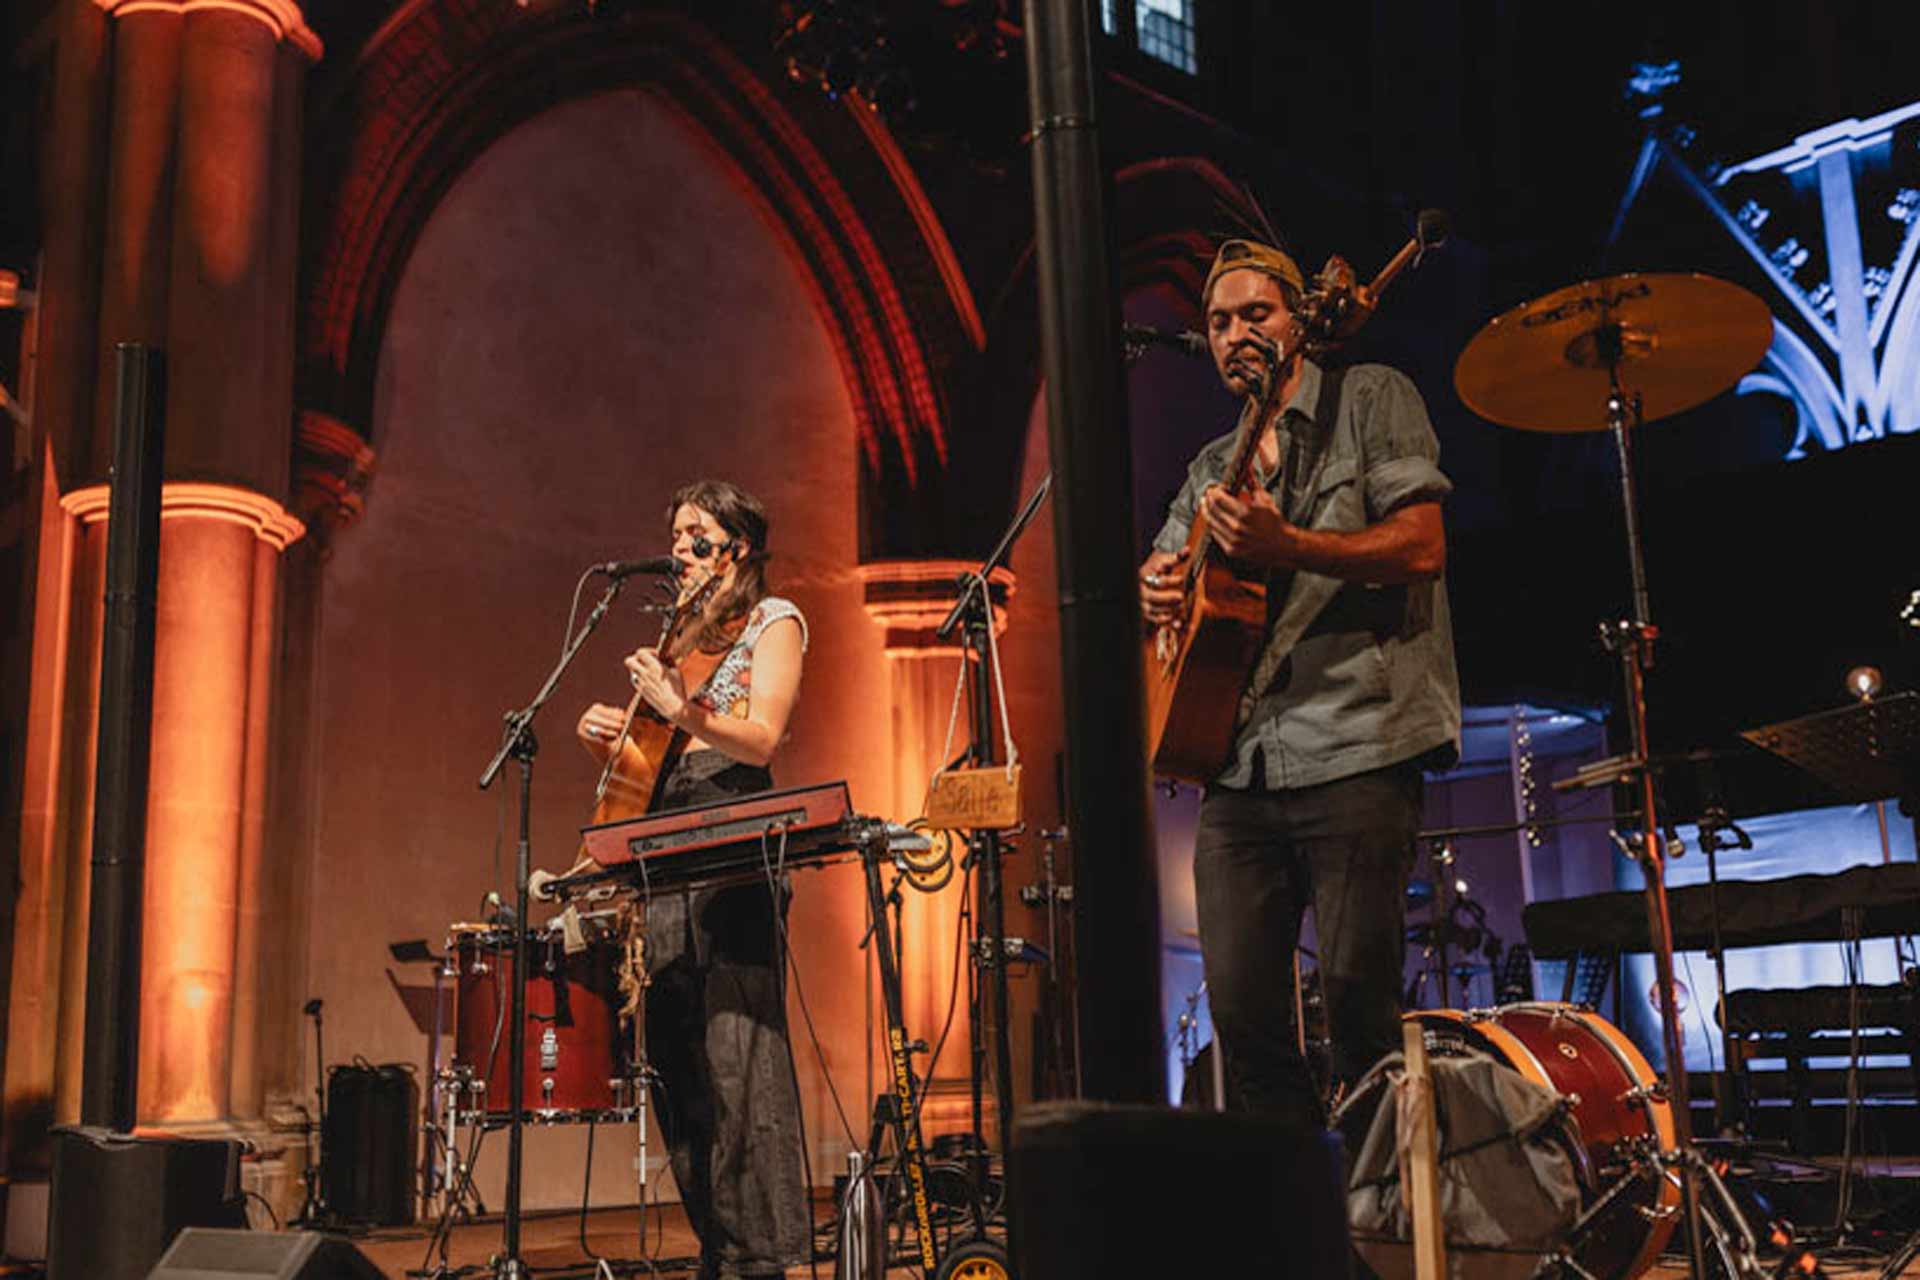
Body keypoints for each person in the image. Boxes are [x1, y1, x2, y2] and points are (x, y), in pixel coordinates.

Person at [1138, 238, 1461, 1131]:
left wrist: (1293, 547)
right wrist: (1156, 586)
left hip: (1358, 742)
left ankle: (1378, 1235)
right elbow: (1166, 566)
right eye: (1217, 322)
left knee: (1361, 1013)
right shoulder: (1210, 466)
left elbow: (1422, 546)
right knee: (1246, 1025)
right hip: (1240, 770)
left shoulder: (1371, 399)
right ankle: (1297, 1230)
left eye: (1256, 315)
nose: (1236, 334)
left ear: (1299, 322)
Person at [574, 479, 807, 1280]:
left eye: (696, 534)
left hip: (734, 832)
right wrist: (612, 738)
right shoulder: (681, 634)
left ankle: (765, 1256)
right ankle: (719, 1245)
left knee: (740, 1050)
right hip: (666, 835)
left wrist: (681, 711)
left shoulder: (773, 620)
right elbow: (659, 756)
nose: (678, 547)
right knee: (677, 1055)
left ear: (736, 546)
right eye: (674, 533)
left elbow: (762, 739)